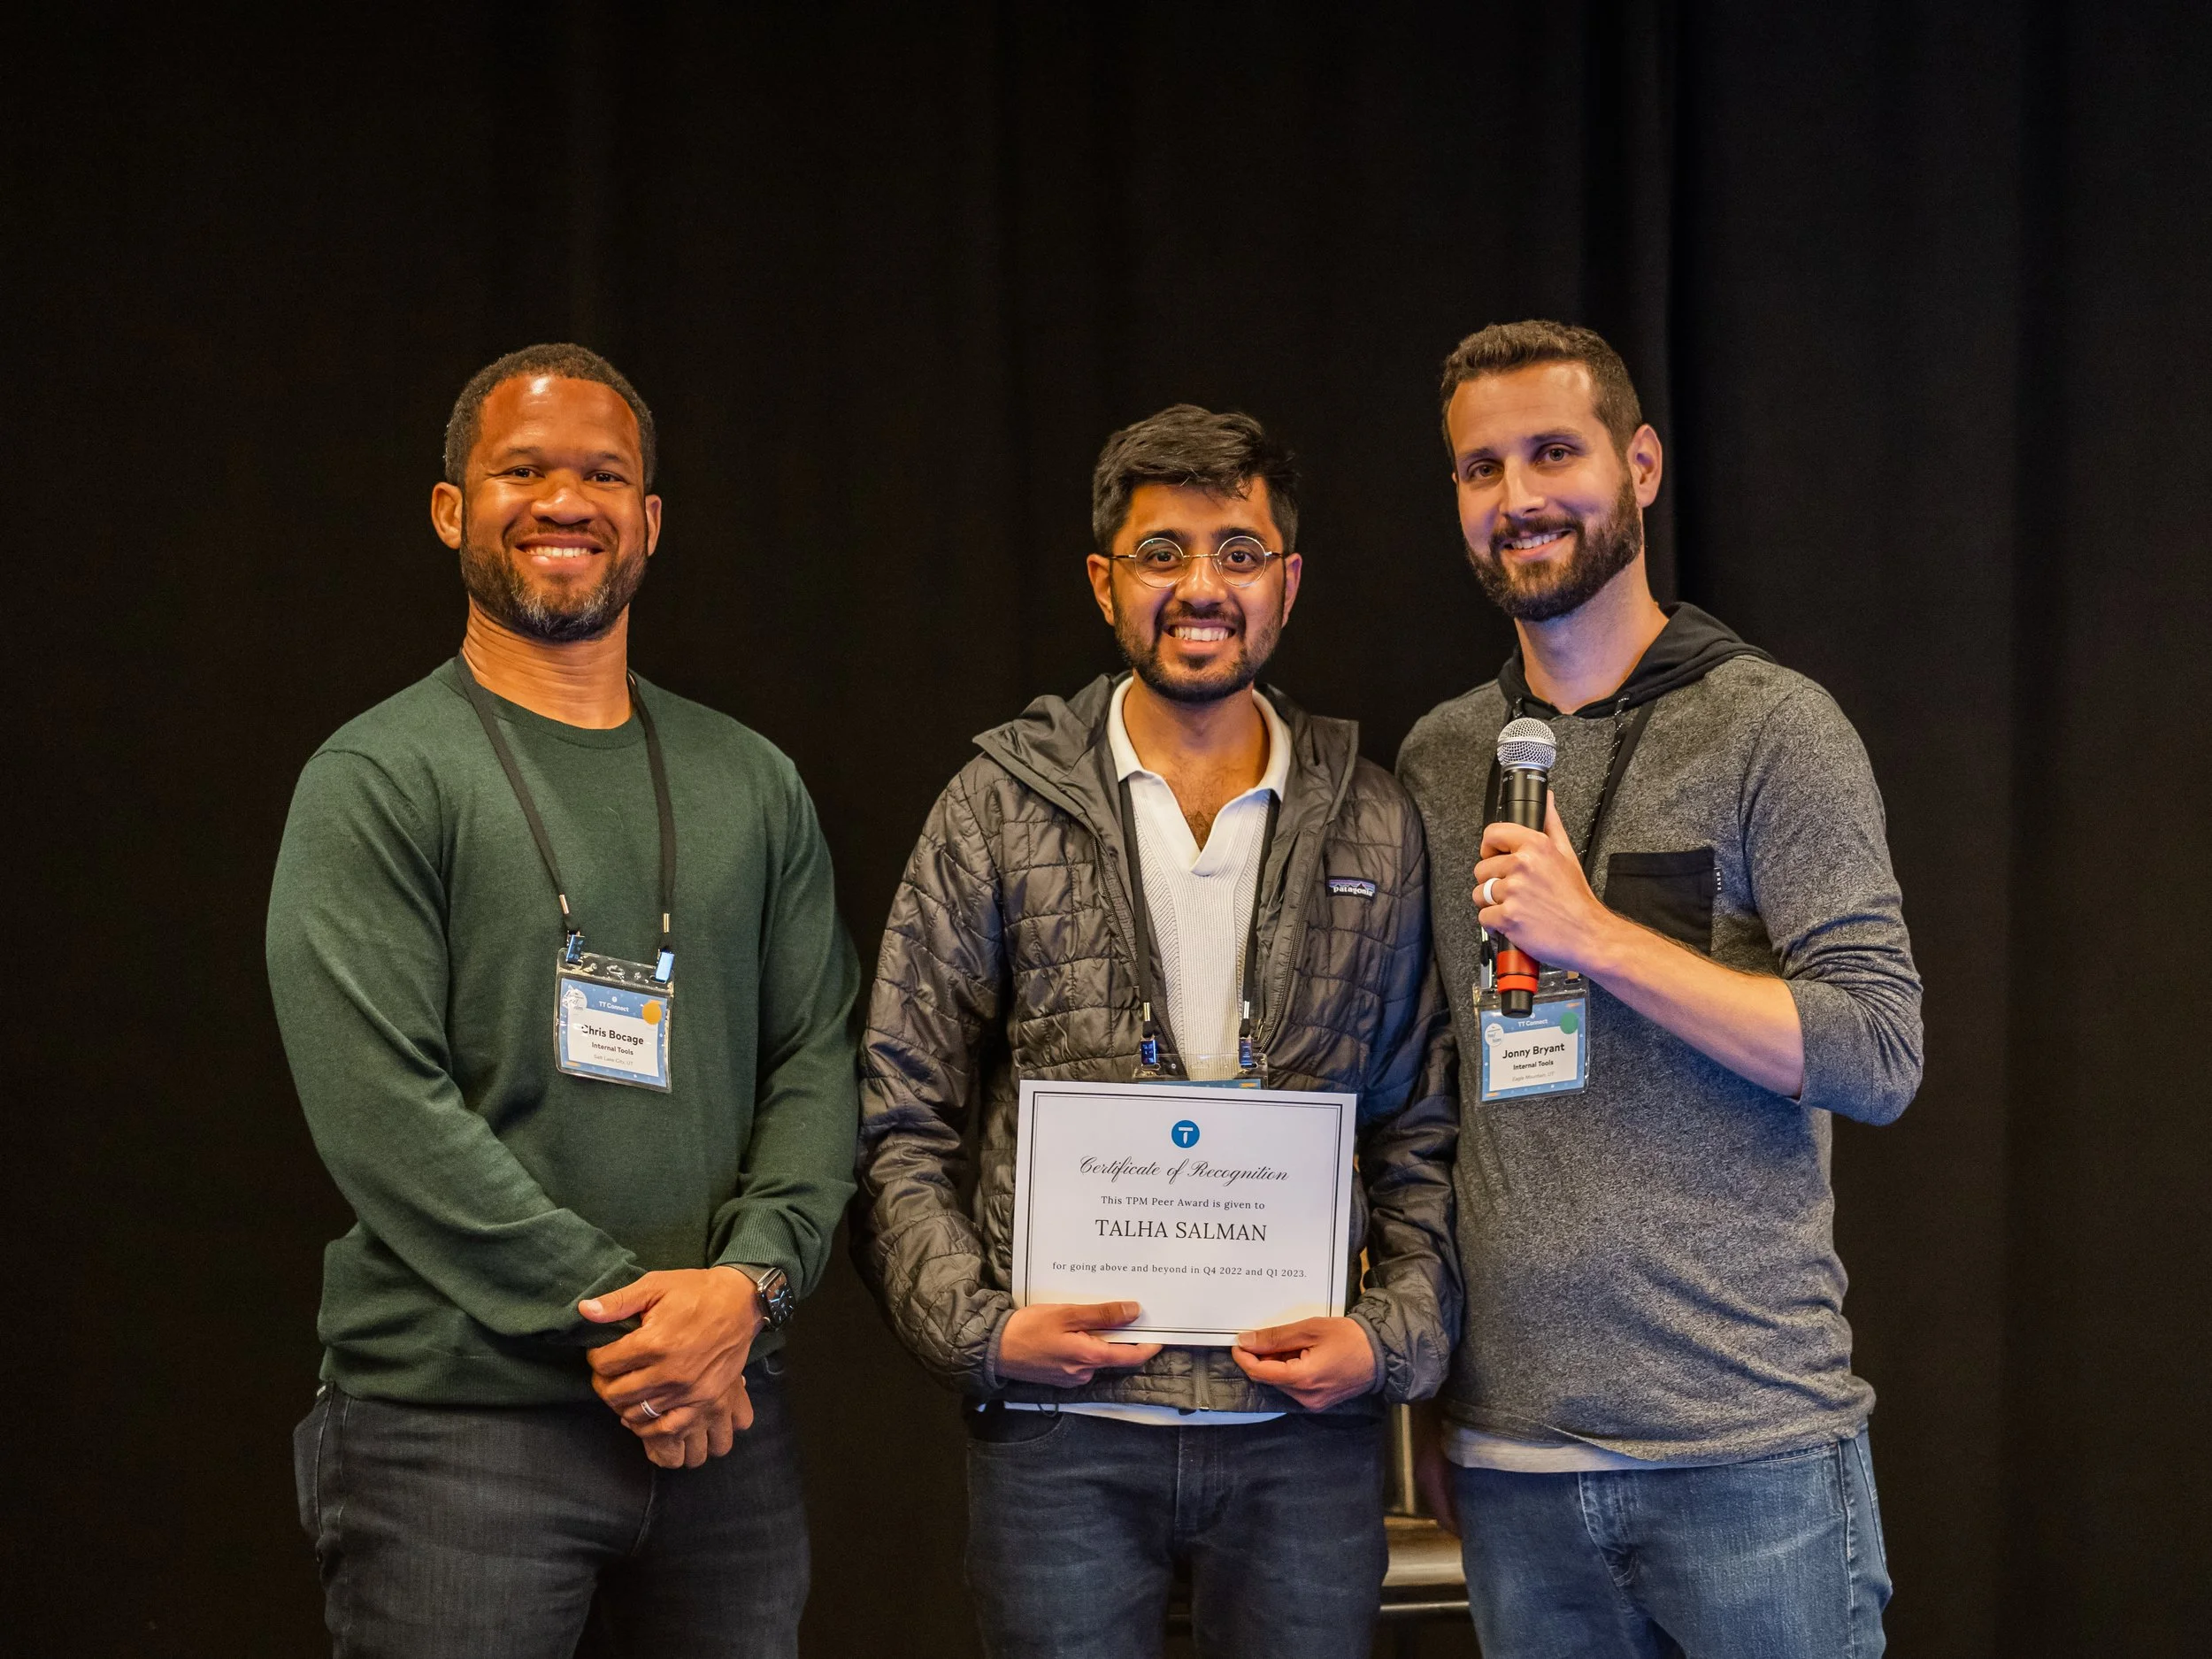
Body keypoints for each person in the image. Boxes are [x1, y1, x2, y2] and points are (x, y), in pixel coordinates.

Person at [266, 343, 859, 1658]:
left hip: (724, 1434)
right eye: (520, 470)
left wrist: (748, 1290)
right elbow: (384, 1117)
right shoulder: (374, 778)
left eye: (602, 474)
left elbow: (819, 1060)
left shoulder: (751, 781)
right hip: (457, 1438)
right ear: (449, 510)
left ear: (649, 521)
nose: (563, 501)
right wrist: (647, 1325)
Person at [853, 405, 1459, 1659]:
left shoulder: (1380, 825)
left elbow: (1422, 1129)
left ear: (1287, 582)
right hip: (1064, 1438)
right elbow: (897, 1108)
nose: (1201, 588)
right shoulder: (995, 806)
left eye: (1238, 552)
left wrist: (1390, 1336)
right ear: (1104, 582)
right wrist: (979, 1330)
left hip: (1300, 1444)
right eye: (1161, 552)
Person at [1396, 319, 1921, 1657]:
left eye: (1554, 452)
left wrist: (1599, 936)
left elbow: (1876, 1050)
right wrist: (1434, 1395)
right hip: (1518, 1464)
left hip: (1748, 1450)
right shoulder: (1444, 757)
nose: (1518, 498)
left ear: (1639, 465)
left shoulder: (1771, 727)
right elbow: (1434, 1096)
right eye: (1480, 468)